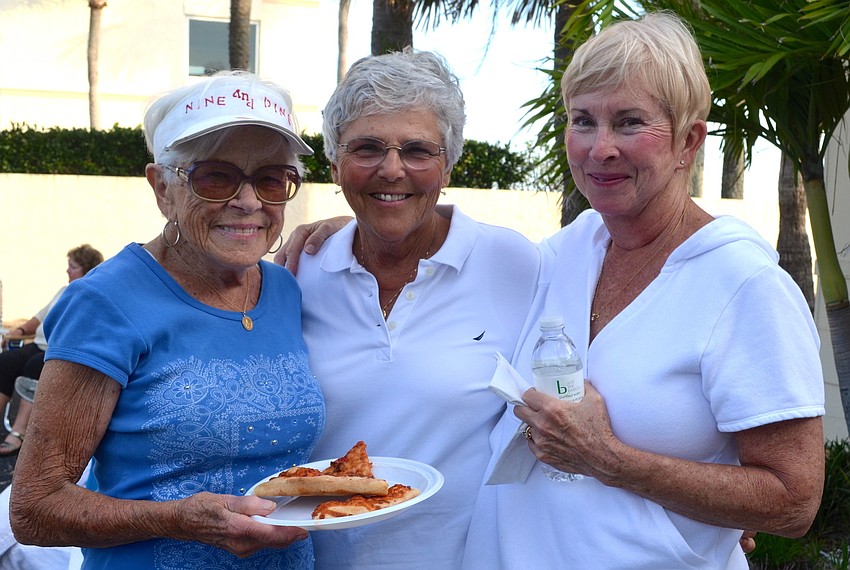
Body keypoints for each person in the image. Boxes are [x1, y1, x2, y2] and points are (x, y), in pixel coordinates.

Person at [460, 12, 825, 568]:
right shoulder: (567, 252)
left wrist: (607, 457)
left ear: (688, 141)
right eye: (583, 120)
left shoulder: (743, 286)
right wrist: (352, 229)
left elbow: (793, 502)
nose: (600, 147)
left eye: (630, 122)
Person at [9, 70, 325, 569]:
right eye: (216, 176)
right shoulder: (107, 302)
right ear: (162, 188)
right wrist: (176, 519)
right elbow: (35, 510)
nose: (248, 201)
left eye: (271, 179)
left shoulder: (285, 288)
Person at [281, 49, 540, 568]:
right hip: (318, 557)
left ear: (448, 163)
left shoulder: (516, 264)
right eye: (367, 148)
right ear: (335, 163)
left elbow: (606, 368)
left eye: (418, 150)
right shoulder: (297, 275)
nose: (392, 168)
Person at [0, 243, 104, 456]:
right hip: (37, 344)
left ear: (87, 269)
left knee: (33, 365)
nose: (67, 270)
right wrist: (19, 330)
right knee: (6, 361)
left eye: (73, 266)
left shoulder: (91, 296)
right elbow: (38, 318)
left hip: (59, 351)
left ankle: (18, 433)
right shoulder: (63, 291)